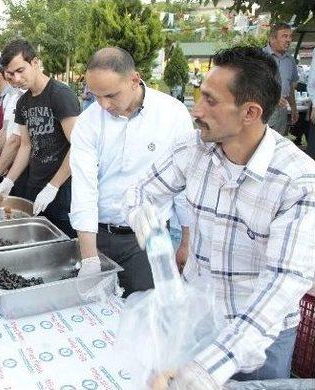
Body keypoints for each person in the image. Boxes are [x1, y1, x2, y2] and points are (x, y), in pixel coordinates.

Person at [126, 46, 315, 388]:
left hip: (261, 338)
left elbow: (281, 285)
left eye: (211, 101)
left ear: (250, 112)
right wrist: (158, 249)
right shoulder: (193, 148)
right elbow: (141, 193)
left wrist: (202, 373)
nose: (196, 110)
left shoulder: (299, 182)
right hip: (197, 321)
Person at [69, 48, 193, 296]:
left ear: (134, 80)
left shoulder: (172, 114)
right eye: (96, 96)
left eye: (111, 95)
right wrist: (91, 259)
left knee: (145, 312)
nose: (104, 105)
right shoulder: (88, 122)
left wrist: (186, 242)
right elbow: (84, 189)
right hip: (98, 235)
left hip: (150, 239)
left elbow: (185, 184)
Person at [0, 38, 80, 237]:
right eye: (11, 74)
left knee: (63, 244)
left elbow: (79, 147)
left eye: (20, 71)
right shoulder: (23, 102)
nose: (16, 79)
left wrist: (53, 186)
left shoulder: (60, 95)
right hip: (35, 185)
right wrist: (8, 180)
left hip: (63, 189)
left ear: (35, 63)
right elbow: (25, 145)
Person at [263, 23, 299, 136]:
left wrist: (293, 107)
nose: (289, 40)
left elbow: (290, 86)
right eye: (284, 36)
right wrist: (272, 97)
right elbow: (250, 86)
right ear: (272, 38)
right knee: (260, 146)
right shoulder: (259, 57)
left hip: (282, 112)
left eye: (290, 36)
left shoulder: (290, 60)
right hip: (263, 111)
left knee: (278, 147)